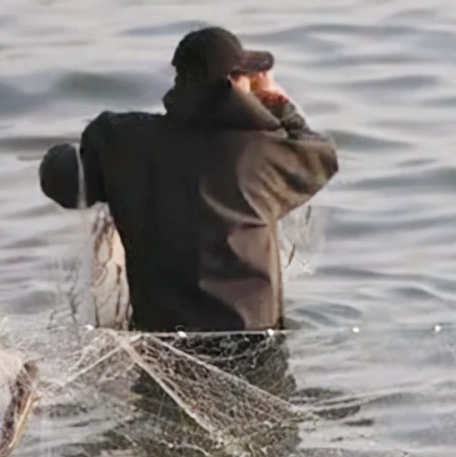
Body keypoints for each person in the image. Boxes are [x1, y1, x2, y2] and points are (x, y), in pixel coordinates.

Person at [39, 26, 339, 334]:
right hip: (254, 339)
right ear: (235, 83)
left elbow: (65, 184)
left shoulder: (125, 142)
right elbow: (322, 156)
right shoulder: (262, 152)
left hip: (163, 340)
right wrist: (277, 104)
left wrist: (59, 154)